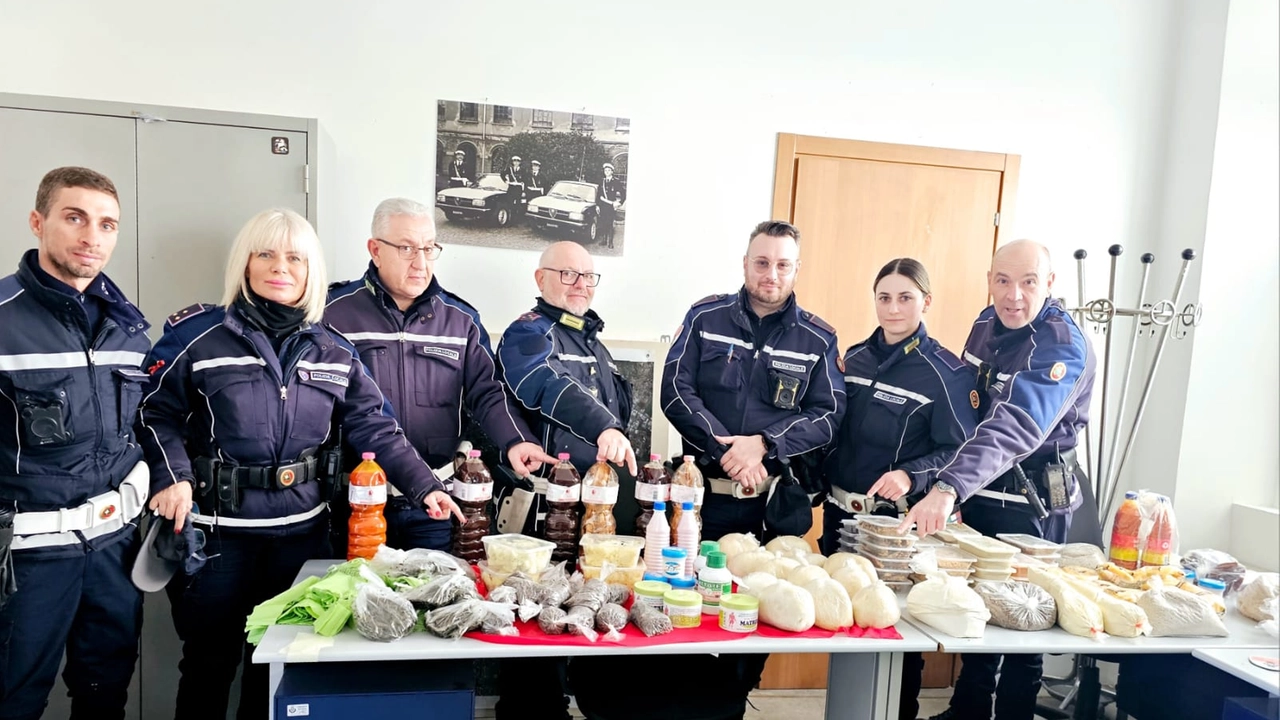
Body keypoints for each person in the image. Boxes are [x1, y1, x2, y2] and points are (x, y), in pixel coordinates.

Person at [137, 208, 465, 720]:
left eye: (295, 257)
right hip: (218, 537)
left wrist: (425, 488)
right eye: (265, 253)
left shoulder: (333, 349)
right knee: (209, 663)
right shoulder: (199, 336)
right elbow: (153, 412)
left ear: (312, 270)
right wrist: (173, 477)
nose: (280, 267)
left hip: (302, 540)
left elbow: (376, 427)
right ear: (244, 263)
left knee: (278, 665)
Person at [615, 220, 844, 720]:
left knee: (759, 613)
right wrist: (727, 453)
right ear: (745, 264)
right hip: (701, 500)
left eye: (783, 265)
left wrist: (764, 445)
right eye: (762, 263)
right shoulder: (706, 316)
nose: (771, 274)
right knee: (688, 600)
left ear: (796, 270)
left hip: (770, 506)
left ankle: (732, 702)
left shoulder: (818, 338)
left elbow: (828, 416)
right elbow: (675, 391)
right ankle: (689, 704)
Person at [910, 239, 1097, 720]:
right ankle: (968, 710)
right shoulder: (985, 324)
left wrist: (948, 487)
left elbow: (1017, 423)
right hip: (982, 489)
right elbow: (966, 402)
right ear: (989, 280)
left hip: (1035, 503)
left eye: (1029, 282)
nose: (1014, 295)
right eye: (1002, 281)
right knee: (979, 606)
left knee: (1022, 619)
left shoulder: (1062, 344)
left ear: (1050, 284)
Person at [0, 167, 151, 720]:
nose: (93, 236)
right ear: (38, 222)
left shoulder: (129, 327)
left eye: (107, 224)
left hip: (113, 548)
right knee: (15, 699)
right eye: (75, 217)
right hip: (27, 558)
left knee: (104, 691)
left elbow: (142, 426)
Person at [325, 198, 556, 552]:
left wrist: (516, 440)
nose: (420, 262)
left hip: (435, 504)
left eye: (429, 248)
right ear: (375, 250)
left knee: (434, 600)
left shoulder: (460, 319)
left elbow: (487, 391)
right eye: (406, 248)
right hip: (357, 503)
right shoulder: (333, 313)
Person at [821, 258, 977, 720]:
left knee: (893, 631)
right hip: (839, 517)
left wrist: (913, 475)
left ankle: (899, 713)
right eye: (884, 297)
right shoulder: (854, 358)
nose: (892, 308)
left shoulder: (946, 373)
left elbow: (961, 449)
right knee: (841, 618)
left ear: (926, 302)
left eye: (905, 297)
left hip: (892, 525)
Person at [493, 240, 636, 720]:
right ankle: (531, 713)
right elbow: (545, 384)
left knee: (586, 602)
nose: (581, 285)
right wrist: (604, 426)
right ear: (540, 279)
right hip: (543, 509)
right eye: (568, 275)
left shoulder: (592, 341)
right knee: (537, 615)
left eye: (589, 276)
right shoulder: (527, 334)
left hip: (591, 509)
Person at [596, 163, 625, 248]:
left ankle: (610, 242)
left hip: (611, 206)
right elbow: (599, 195)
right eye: (605, 170)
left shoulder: (616, 181)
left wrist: (619, 203)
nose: (607, 172)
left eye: (609, 170)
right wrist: (597, 205)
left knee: (610, 224)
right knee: (603, 223)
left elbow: (623, 193)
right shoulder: (602, 181)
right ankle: (604, 240)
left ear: (612, 172)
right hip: (602, 206)